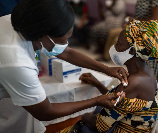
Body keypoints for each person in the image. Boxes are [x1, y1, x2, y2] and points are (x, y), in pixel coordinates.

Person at [0, 0, 128, 132]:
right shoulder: (16, 61)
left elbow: (67, 53)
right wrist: (95, 101)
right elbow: (45, 111)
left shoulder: (26, 22)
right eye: (62, 41)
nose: (65, 45)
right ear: (42, 35)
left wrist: (106, 69)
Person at [64, 19, 158, 133]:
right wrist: (98, 84)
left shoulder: (133, 82)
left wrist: (84, 116)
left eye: (118, 43)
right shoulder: (146, 72)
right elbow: (122, 103)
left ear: (132, 50)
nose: (114, 47)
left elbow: (99, 125)